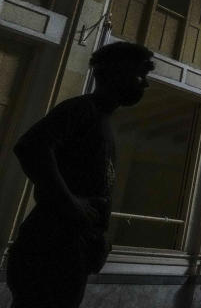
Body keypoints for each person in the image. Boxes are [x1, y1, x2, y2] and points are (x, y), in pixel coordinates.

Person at [6, 41, 155, 308]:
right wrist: (70, 203)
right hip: (52, 250)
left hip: (68, 250)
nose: (145, 84)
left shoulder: (100, 120)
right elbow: (30, 147)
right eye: (140, 74)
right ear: (115, 73)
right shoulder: (82, 110)